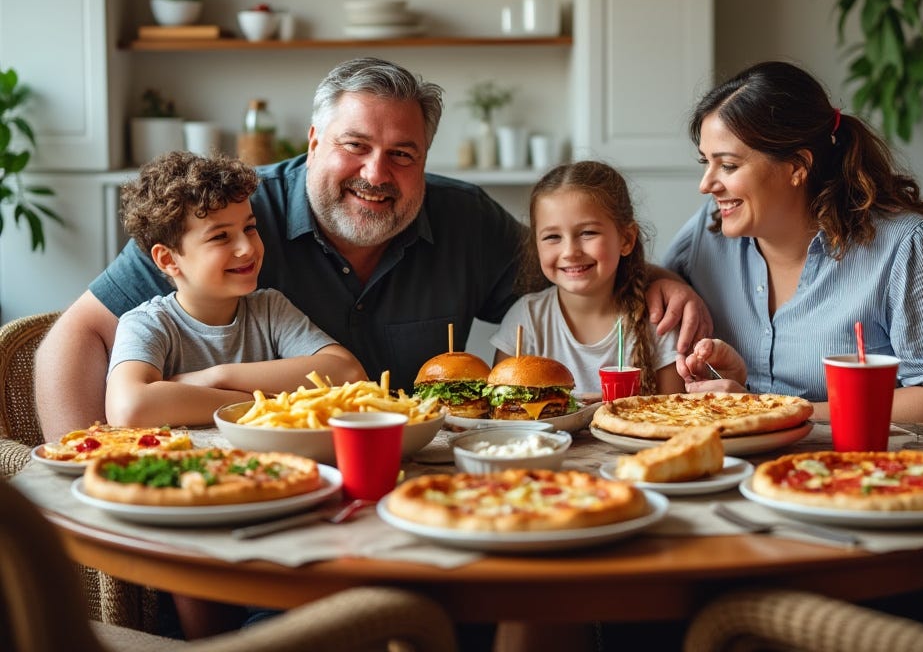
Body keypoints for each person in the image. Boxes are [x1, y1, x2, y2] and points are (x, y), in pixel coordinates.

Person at [35, 56, 711, 442]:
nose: (376, 174)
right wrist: (88, 460)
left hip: (431, 487)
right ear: (312, 144)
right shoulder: (235, 217)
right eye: (355, 147)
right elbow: (79, 336)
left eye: (403, 154)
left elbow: (571, 270)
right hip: (277, 488)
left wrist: (650, 275)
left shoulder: (465, 218)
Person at [668, 60, 923, 426]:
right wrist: (666, 283)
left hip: (871, 473)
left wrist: (768, 411)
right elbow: (628, 278)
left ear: (797, 166)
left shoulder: (911, 248)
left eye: (727, 166)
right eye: (705, 163)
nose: (706, 184)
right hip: (735, 469)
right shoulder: (709, 232)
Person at [106, 151, 367, 427]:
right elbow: (129, 408)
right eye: (220, 236)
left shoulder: (269, 310)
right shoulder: (147, 324)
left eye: (250, 228)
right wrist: (263, 402)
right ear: (168, 259)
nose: (246, 248)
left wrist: (216, 377)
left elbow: (348, 373)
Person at [491, 161, 689, 396]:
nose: (570, 251)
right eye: (553, 236)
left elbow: (675, 415)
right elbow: (501, 412)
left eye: (588, 233)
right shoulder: (527, 319)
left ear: (626, 239)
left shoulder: (658, 320)